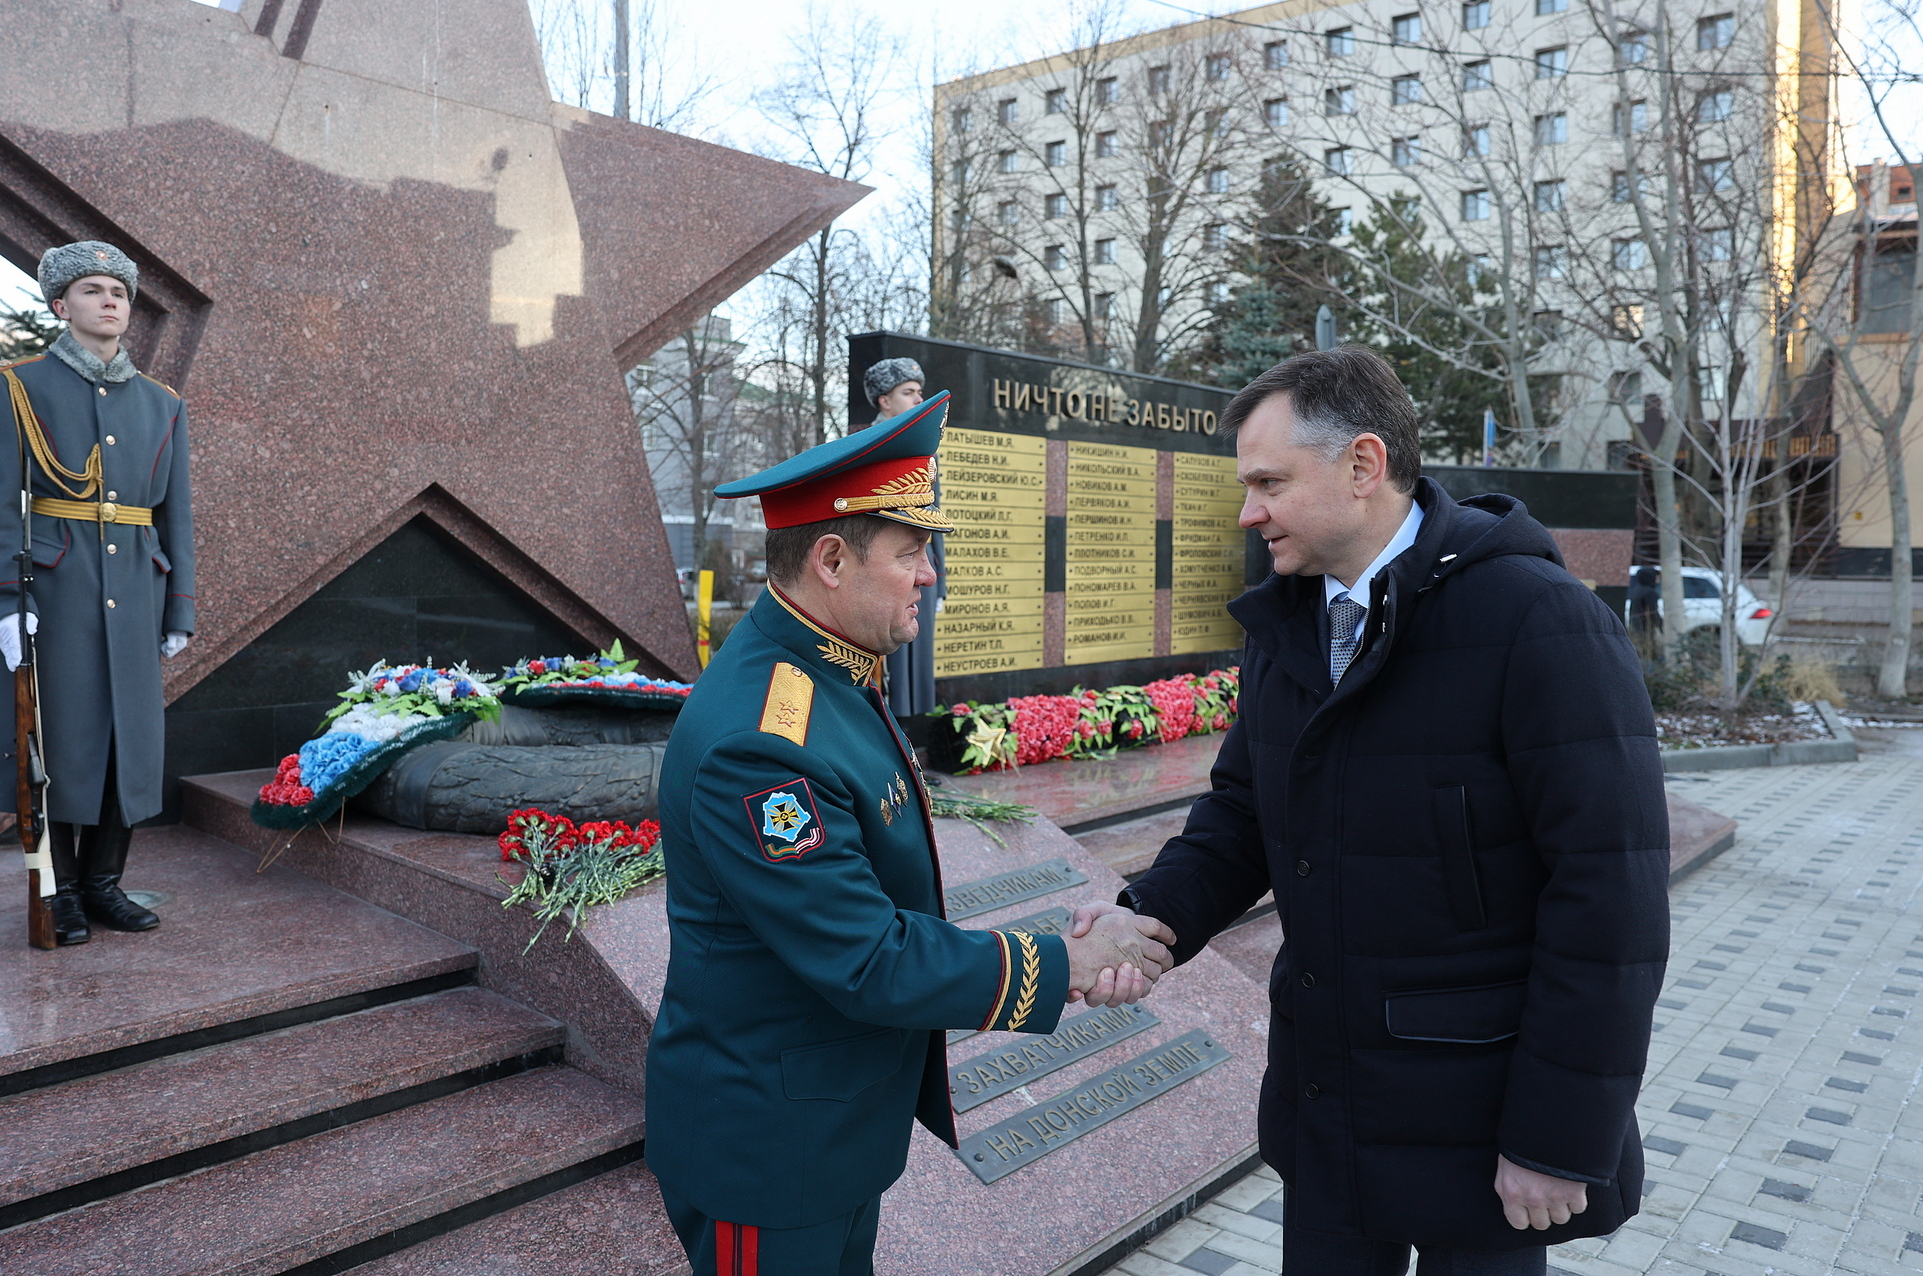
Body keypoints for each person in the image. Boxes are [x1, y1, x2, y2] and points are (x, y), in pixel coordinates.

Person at [1075, 347, 1668, 1274]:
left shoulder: (1535, 620)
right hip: (1331, 1107)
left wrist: (1558, 1137)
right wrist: (1147, 917)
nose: (1248, 510)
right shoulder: (1289, 628)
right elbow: (1242, 814)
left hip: (1483, 1130)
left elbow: (1613, 901)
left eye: (1269, 480)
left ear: (1362, 465)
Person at [645, 389, 1175, 1276]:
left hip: (826, 1136)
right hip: (769, 1157)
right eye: (911, 551)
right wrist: (1067, 961)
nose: (930, 574)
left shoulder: (826, 670)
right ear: (829, 560)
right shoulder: (760, 737)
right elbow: (868, 957)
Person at [0, 241, 196, 946]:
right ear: (61, 305)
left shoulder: (163, 405)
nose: (110, 301)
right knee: (58, 743)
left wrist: (179, 604)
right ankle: (59, 890)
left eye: (119, 292)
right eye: (93, 289)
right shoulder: (17, 386)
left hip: (135, 587)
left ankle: (104, 884)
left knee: (128, 742)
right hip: (56, 590)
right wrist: (2, 604)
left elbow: (175, 515)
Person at [862, 357, 940, 718]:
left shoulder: (922, 450)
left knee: (917, 669)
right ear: (884, 400)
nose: (917, 399)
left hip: (917, 568)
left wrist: (942, 583)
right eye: (908, 392)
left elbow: (933, 521)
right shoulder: (863, 448)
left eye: (919, 392)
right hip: (881, 571)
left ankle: (912, 754)